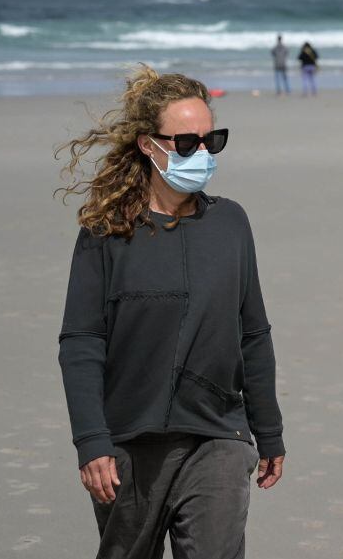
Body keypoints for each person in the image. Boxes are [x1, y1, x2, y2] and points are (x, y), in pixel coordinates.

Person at [55, 64, 285, 559]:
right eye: (186, 143)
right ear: (148, 144)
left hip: (218, 433)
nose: (200, 153)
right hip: (128, 440)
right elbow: (81, 341)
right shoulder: (106, 232)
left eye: (211, 140)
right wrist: (92, 441)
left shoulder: (231, 223)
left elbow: (254, 333)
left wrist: (269, 432)